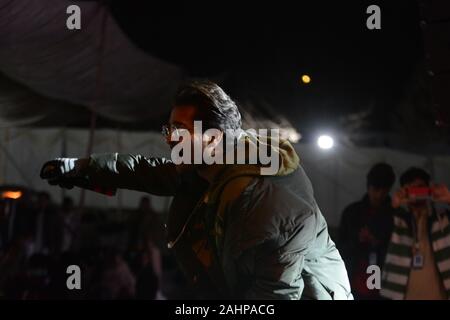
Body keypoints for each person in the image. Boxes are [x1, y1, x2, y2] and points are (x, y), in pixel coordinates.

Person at [40, 80, 352, 300]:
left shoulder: (264, 203)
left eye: (179, 131)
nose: (169, 139)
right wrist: (82, 169)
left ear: (214, 138)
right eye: (168, 129)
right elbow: (150, 171)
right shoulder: (211, 166)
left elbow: (274, 297)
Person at [380, 167, 450, 300]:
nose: (416, 194)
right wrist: (393, 205)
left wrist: (449, 199)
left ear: (429, 189)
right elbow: (376, 229)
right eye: (410, 190)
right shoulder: (396, 220)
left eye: (420, 188)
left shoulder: (443, 218)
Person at [338, 163, 395, 299]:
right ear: (369, 187)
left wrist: (377, 243)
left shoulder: (395, 215)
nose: (379, 194)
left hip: (384, 283)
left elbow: (401, 253)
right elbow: (340, 248)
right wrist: (358, 239)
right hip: (354, 280)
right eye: (376, 189)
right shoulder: (352, 213)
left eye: (384, 190)